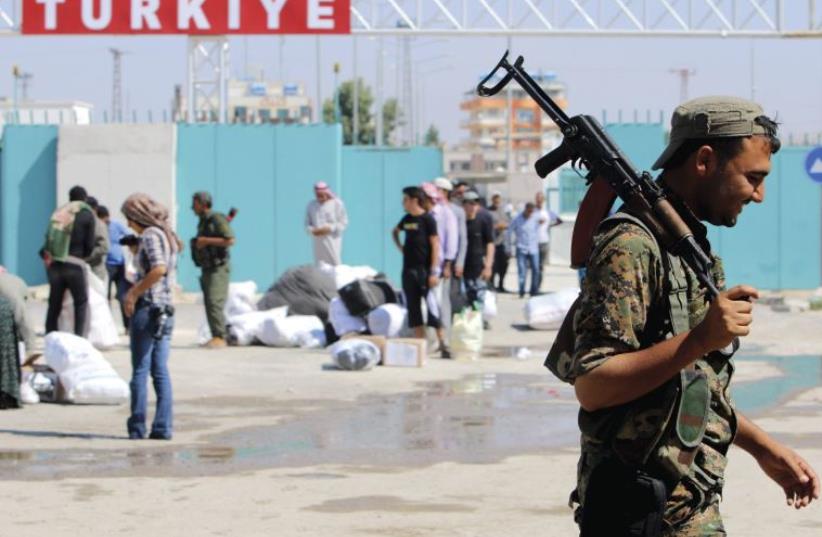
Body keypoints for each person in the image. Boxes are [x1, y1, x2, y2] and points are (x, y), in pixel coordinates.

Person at [553, 97, 819, 535]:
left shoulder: (688, 247)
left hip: (684, 510)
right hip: (640, 513)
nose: (759, 195)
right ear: (705, 160)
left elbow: (693, 385)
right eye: (752, 178)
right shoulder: (632, 246)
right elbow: (593, 385)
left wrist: (766, 450)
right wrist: (699, 339)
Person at [121, 193, 179, 440]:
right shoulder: (165, 235)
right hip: (165, 309)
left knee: (140, 370)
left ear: (137, 216)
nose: (127, 224)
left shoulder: (150, 235)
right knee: (160, 370)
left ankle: (137, 426)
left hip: (149, 308)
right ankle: (162, 427)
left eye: (129, 218)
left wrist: (133, 293)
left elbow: (158, 269)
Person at [41, 186, 97, 336]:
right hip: (75, 263)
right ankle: (80, 339)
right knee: (81, 303)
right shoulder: (86, 213)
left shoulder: (59, 214)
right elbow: (90, 245)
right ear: (85, 198)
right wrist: (83, 256)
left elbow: (47, 240)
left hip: (55, 264)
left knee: (54, 304)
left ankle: (50, 337)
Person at [391, 186, 441, 351]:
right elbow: (395, 232)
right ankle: (421, 344)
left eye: (405, 199)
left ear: (414, 200)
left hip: (425, 271)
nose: (403, 202)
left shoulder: (428, 219)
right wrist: (401, 248)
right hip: (408, 270)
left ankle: (443, 344)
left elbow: (435, 245)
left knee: (432, 306)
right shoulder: (406, 219)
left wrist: (433, 271)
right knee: (413, 308)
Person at [191, 191, 235, 349]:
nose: (192, 207)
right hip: (207, 266)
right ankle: (216, 335)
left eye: (195, 203)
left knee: (215, 301)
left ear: (203, 204)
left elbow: (230, 239)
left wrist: (206, 240)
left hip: (218, 267)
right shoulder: (203, 221)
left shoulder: (216, 218)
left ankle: (220, 336)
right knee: (209, 302)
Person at [422, 182, 457, 357]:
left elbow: (451, 240)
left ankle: (443, 341)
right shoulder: (423, 215)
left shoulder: (445, 214)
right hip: (424, 266)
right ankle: (433, 341)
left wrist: (448, 264)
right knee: (429, 305)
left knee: (438, 305)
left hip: (439, 267)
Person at [97, 205, 133, 332]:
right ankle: (108, 327)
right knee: (105, 297)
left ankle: (127, 326)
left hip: (119, 264)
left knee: (123, 296)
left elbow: (129, 235)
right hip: (105, 265)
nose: (106, 222)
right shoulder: (97, 227)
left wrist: (123, 241)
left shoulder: (116, 225)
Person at [461, 191, 495, 313]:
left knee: (481, 296)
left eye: (476, 203)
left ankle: (479, 320)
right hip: (462, 267)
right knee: (466, 297)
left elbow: (490, 244)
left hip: (479, 266)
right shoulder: (460, 223)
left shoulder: (482, 221)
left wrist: (488, 266)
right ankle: (471, 321)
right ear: (463, 205)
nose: (473, 206)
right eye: (470, 203)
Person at [305, 181, 349, 266]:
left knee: (335, 264)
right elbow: (307, 223)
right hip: (318, 241)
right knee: (320, 266)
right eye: (317, 195)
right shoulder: (311, 205)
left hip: (332, 240)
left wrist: (330, 228)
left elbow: (343, 222)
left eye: (322, 194)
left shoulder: (337, 203)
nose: (320, 197)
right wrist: (313, 231)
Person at [508, 202, 541, 298]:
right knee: (522, 271)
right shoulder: (517, 219)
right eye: (529, 211)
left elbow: (543, 225)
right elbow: (509, 232)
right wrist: (510, 247)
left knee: (536, 269)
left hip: (533, 248)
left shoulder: (536, 217)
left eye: (532, 212)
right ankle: (521, 291)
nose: (530, 213)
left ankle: (533, 291)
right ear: (525, 209)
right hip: (521, 248)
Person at [534, 191, 563, 290]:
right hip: (533, 243)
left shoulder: (547, 212)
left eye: (540, 198)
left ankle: (537, 286)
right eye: (537, 198)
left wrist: (549, 225)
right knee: (534, 266)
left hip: (544, 242)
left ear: (543, 200)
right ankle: (533, 286)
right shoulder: (532, 212)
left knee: (540, 266)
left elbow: (559, 220)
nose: (539, 200)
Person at [84, 196, 111, 286]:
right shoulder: (81, 222)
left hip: (96, 272)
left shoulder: (99, 225)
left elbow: (104, 247)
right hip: (82, 270)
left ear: (94, 209)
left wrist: (86, 257)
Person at [488, 193, 511, 292]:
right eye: (495, 200)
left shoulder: (503, 211)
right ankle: (492, 285)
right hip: (492, 243)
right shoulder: (488, 212)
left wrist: (505, 225)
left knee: (503, 265)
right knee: (493, 266)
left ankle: (501, 284)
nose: (497, 202)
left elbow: (509, 223)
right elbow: (486, 226)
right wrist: (496, 227)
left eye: (498, 200)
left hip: (503, 243)